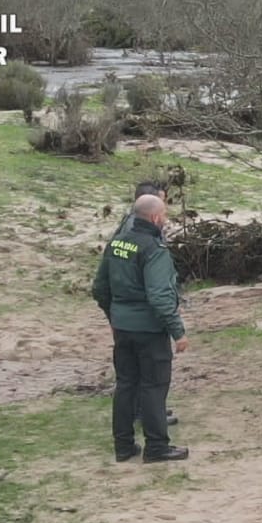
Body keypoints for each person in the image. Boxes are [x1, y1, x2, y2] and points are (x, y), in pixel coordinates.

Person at [91, 194, 190, 463]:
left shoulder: (117, 243)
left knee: (126, 385)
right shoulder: (153, 249)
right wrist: (177, 331)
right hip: (148, 330)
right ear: (156, 218)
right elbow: (159, 296)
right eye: (165, 215)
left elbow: (99, 288)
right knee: (154, 386)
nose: (166, 220)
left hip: (122, 326)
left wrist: (113, 316)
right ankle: (157, 447)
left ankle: (123, 446)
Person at [116, 181, 179, 428]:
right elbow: (155, 290)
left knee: (129, 379)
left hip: (124, 316)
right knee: (151, 377)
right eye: (162, 208)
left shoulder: (125, 233)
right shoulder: (144, 240)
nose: (166, 214)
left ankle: (129, 435)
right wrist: (176, 328)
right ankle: (152, 423)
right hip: (145, 319)